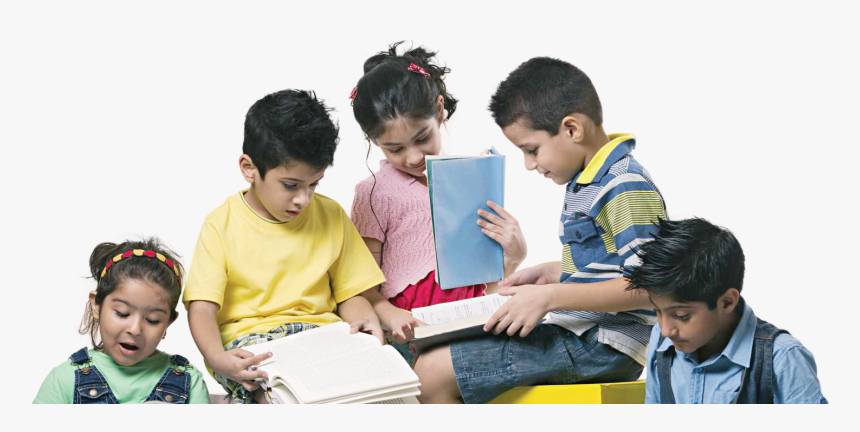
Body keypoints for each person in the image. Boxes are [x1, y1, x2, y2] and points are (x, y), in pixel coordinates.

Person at [413, 57, 666, 403]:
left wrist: (549, 298)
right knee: (433, 356)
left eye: (532, 150)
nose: (529, 164)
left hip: (603, 344)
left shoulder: (624, 185)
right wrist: (552, 273)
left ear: (572, 129)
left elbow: (650, 286)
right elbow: (610, 266)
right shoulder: (590, 179)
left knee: (431, 373)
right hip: (585, 333)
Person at [183, 89, 386, 403]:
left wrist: (364, 318)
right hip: (251, 342)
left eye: (313, 184)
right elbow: (202, 308)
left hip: (324, 336)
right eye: (291, 185)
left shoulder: (331, 215)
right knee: (278, 398)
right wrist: (216, 357)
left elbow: (350, 293)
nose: (303, 199)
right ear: (249, 168)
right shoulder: (220, 224)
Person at [349, 42, 527, 353]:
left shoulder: (468, 179)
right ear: (374, 141)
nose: (414, 157)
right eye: (395, 149)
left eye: (422, 138)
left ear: (440, 109)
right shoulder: (374, 193)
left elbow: (485, 283)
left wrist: (514, 256)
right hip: (411, 331)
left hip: (471, 321)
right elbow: (361, 286)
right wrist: (391, 315)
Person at [624, 217, 827, 404]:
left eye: (681, 316)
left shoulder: (783, 359)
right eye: (658, 311)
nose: (666, 330)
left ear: (727, 302)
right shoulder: (661, 341)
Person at [34, 238, 210, 403]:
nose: (135, 329)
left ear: (168, 323)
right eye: (122, 313)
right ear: (97, 306)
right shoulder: (64, 379)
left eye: (152, 320)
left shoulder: (189, 381)